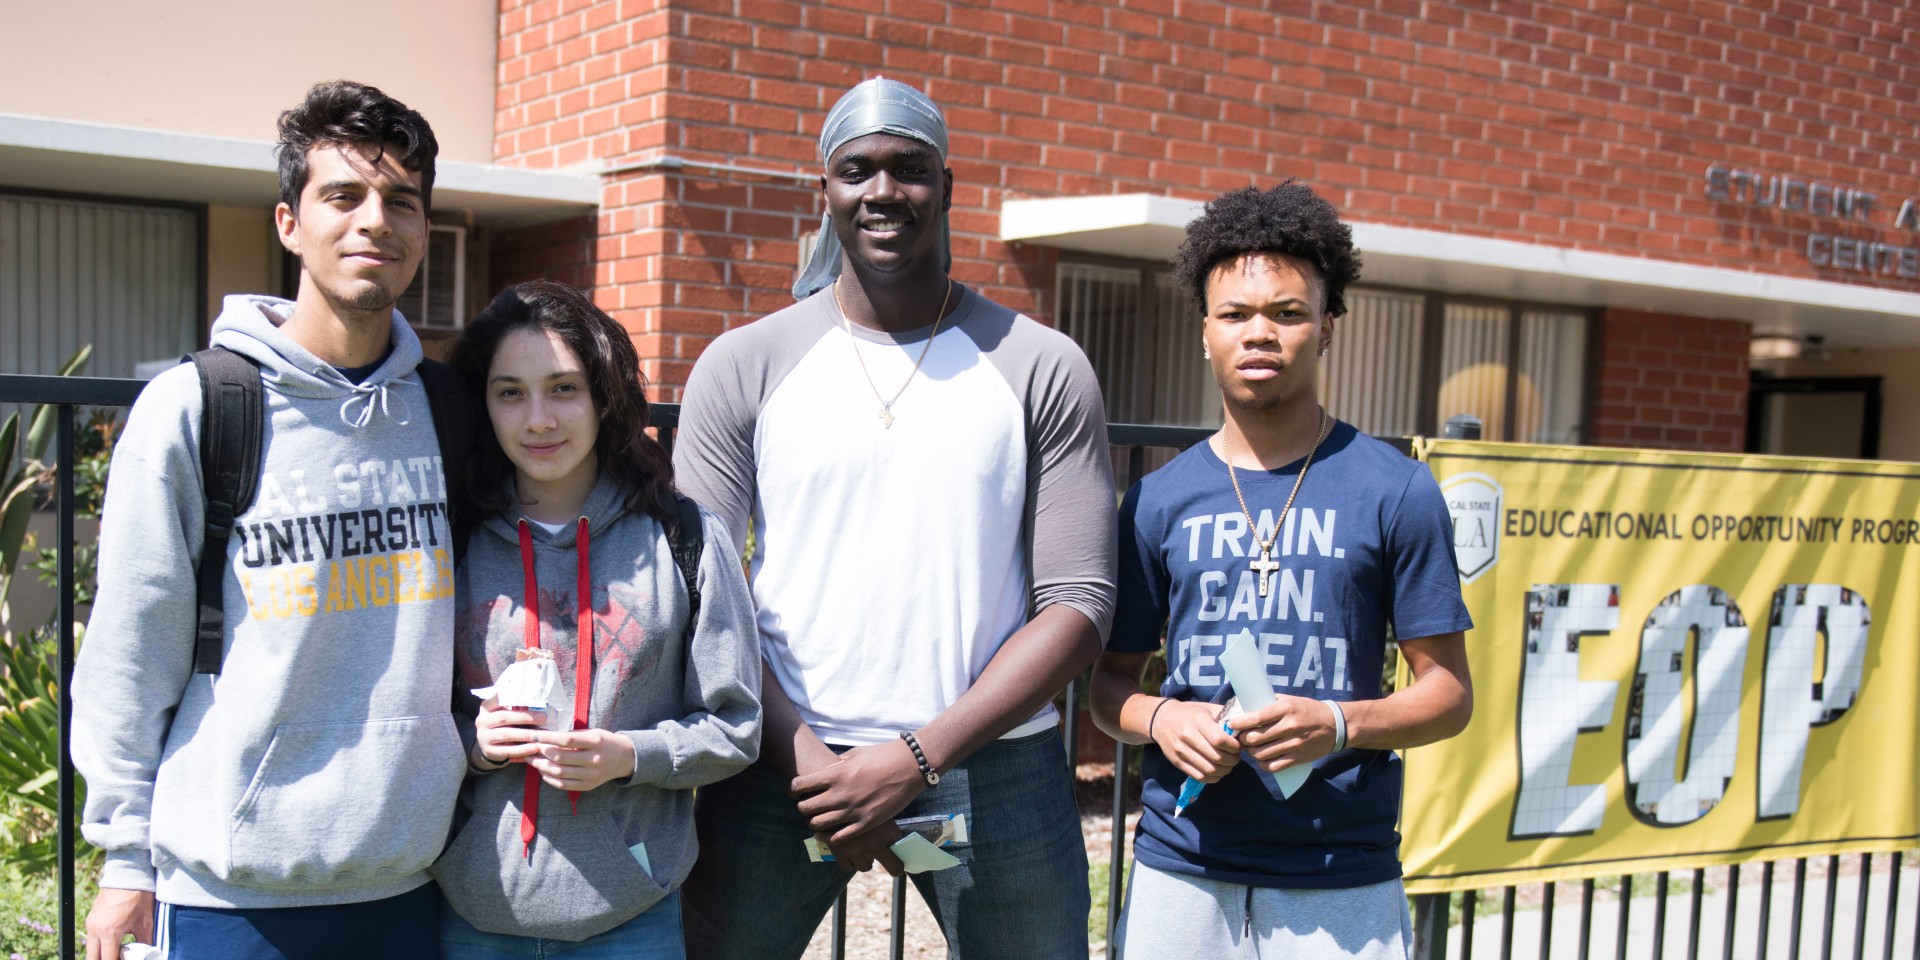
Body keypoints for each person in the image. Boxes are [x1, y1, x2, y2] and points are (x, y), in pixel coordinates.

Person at [672, 76, 1116, 959]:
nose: (883, 192)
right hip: (790, 775)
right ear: (825, 194)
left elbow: (1080, 603)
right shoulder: (744, 364)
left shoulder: (1040, 365)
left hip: (986, 772)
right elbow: (702, 592)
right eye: (857, 170)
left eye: (909, 170)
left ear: (947, 187)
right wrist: (816, 766)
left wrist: (914, 760)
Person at [71, 81, 467, 959]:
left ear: (424, 232)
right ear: (289, 223)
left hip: (410, 882)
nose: (376, 221)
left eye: (403, 201)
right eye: (343, 195)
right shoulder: (200, 407)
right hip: (229, 892)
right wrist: (125, 859)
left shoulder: (451, 411)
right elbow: (130, 653)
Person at [1089, 181, 1475, 960]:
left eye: (1288, 313)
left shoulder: (1395, 489)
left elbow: (1450, 695)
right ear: (1205, 331)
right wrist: (1165, 720)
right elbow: (1105, 688)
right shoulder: (1159, 500)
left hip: (1342, 871)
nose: (1258, 332)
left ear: (1328, 328)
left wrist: (1337, 724)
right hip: (1182, 865)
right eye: (1235, 314)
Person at [429, 280, 761, 957]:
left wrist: (631, 756)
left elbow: (737, 726)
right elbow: (394, 721)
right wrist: (473, 743)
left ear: (604, 394)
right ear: (482, 403)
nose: (539, 420)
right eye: (510, 392)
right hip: (469, 912)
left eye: (564, 388)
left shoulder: (681, 536)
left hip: (632, 916)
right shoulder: (446, 539)